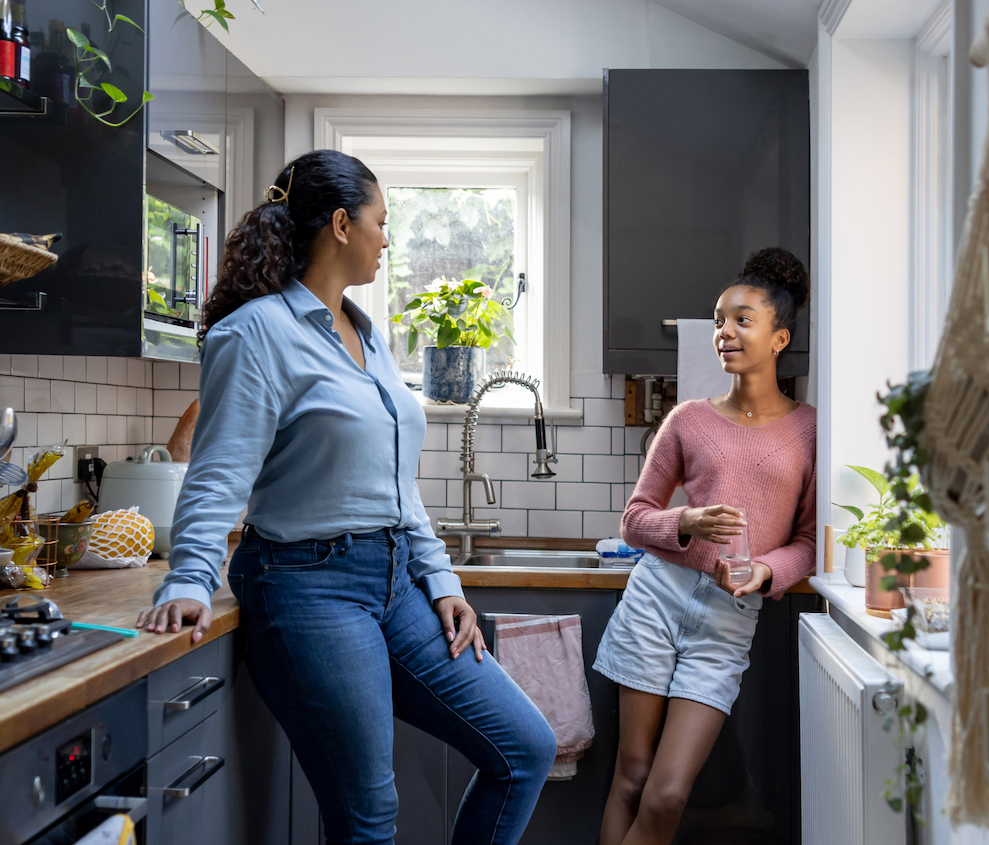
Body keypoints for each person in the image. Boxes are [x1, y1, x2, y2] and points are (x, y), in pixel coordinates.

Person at [135, 150, 557, 845]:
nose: (387, 240)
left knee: (525, 747)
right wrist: (189, 576)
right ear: (340, 223)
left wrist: (441, 578)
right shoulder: (256, 333)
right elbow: (217, 473)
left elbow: (399, 484)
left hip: (395, 585)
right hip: (305, 587)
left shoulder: (368, 336)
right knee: (369, 819)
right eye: (380, 222)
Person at [593, 248, 817, 844]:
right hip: (656, 600)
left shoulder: (811, 429)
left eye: (742, 320)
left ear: (779, 338)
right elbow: (634, 521)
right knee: (633, 778)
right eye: (719, 320)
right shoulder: (687, 419)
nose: (724, 332)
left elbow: (811, 541)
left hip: (728, 620)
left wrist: (766, 573)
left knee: (667, 795)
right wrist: (686, 520)